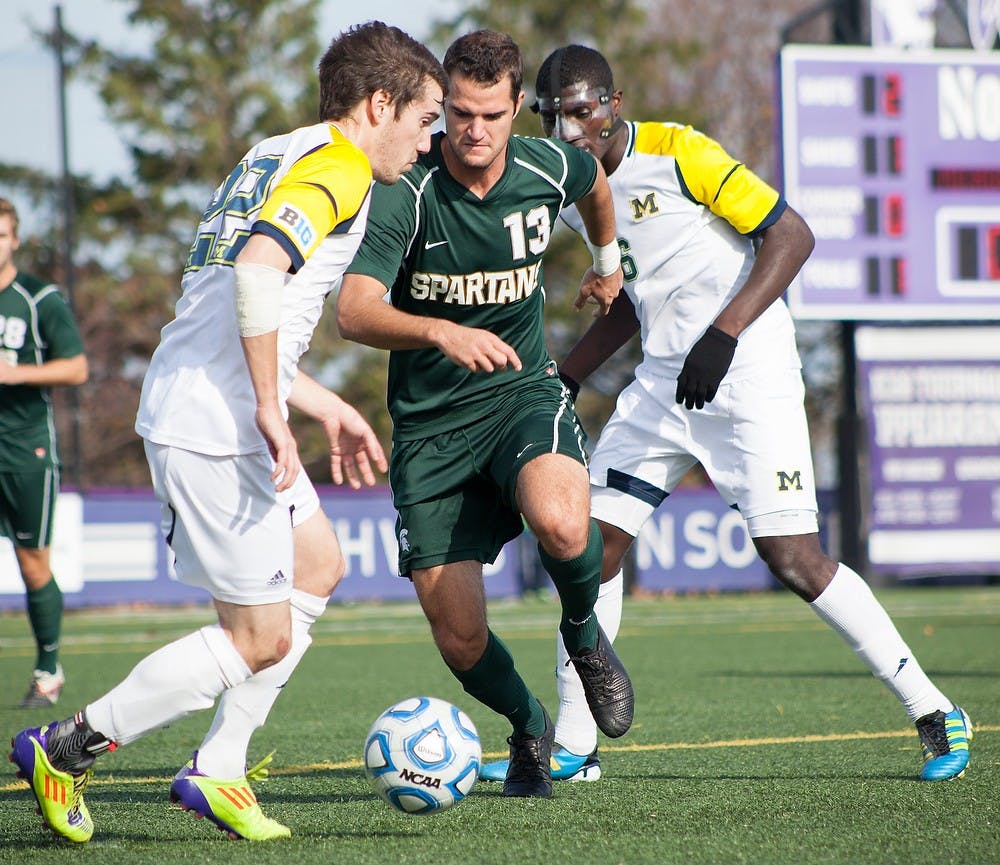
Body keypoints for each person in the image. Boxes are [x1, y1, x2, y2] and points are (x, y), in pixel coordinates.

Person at [482, 44, 971, 785]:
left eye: (584, 110)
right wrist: (570, 375)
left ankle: (934, 708)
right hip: (661, 383)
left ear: (613, 104)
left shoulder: (682, 153)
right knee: (588, 550)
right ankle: (575, 747)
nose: (572, 129)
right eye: (557, 117)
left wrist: (724, 331)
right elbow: (631, 299)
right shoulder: (581, 187)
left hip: (745, 375)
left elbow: (792, 234)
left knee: (794, 559)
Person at [10, 22, 447, 844]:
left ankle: (220, 765)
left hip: (208, 405)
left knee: (320, 562)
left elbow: (233, 301)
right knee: (258, 635)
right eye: (424, 119)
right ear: (379, 102)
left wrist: (315, 401)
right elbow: (256, 271)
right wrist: (270, 406)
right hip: (216, 425)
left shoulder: (276, 150)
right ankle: (65, 746)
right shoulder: (343, 168)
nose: (426, 144)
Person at [336, 29, 633, 800]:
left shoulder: (548, 165)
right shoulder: (407, 193)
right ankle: (531, 724)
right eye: (458, 114)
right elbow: (354, 311)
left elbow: (595, 182)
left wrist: (607, 266)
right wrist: (437, 329)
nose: (472, 131)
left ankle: (582, 634)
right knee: (459, 635)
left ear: (516, 111)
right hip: (431, 431)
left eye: (491, 115)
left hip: (521, 395)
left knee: (565, 521)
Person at [0, 198, 88, 709]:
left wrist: (18, 373)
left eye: (2, 234)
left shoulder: (38, 299)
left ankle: (48, 670)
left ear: (15, 240)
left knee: (33, 563)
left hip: (24, 452)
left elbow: (76, 367)